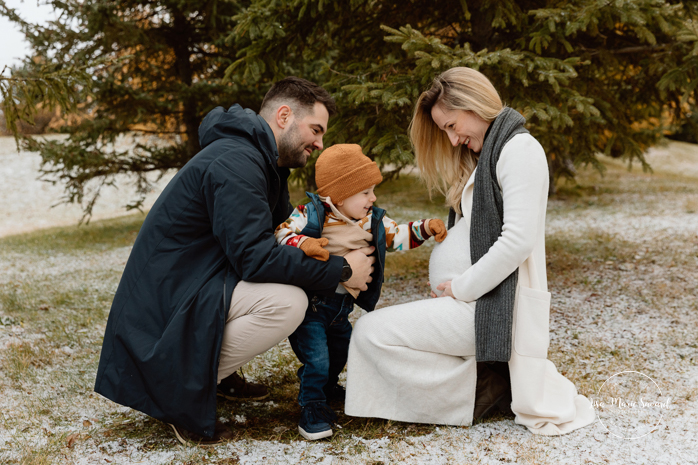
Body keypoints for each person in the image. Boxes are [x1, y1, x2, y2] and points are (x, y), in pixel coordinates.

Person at [94, 77, 376, 445]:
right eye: (316, 130)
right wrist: (341, 270)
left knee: (288, 286)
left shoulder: (261, 162)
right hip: (163, 312)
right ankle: (177, 390)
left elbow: (286, 234)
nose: (320, 144)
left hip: (191, 286)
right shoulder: (237, 162)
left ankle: (216, 376)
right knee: (287, 302)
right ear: (284, 115)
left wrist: (343, 238)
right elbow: (257, 260)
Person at [344, 67, 595, 435]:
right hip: (473, 302)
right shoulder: (490, 157)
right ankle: (485, 384)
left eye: (450, 125)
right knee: (372, 333)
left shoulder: (520, 150)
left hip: (490, 307)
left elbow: (517, 241)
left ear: (472, 104)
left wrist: (461, 287)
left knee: (370, 333)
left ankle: (479, 390)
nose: (451, 139)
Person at [273, 144, 448, 440]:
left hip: (342, 310)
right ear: (340, 194)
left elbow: (398, 236)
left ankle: (325, 388)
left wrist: (426, 228)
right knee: (317, 358)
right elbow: (281, 233)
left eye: (373, 190)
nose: (373, 198)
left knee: (342, 351)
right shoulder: (311, 214)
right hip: (311, 308)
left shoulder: (373, 221)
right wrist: (304, 243)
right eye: (365, 192)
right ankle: (312, 405)